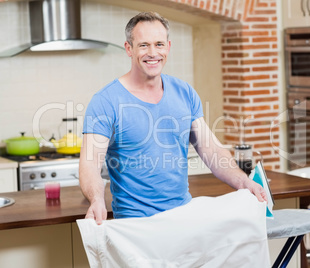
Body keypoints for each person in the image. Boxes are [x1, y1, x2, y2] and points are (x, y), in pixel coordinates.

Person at [79, 11, 267, 224]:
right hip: (135, 225)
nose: (153, 53)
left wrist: (245, 183)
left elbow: (212, 151)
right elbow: (90, 163)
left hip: (182, 218)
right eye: (143, 45)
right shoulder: (106, 101)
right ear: (129, 49)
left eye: (159, 44)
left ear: (168, 47)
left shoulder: (184, 93)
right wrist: (97, 200)